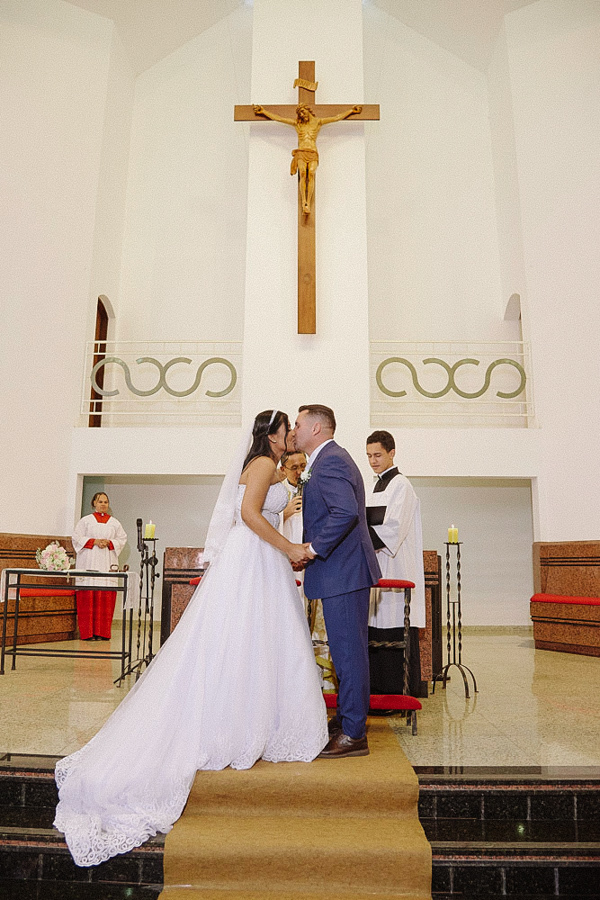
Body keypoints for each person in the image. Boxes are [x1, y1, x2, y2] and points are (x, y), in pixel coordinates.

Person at [54, 410, 328, 867]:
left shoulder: (265, 466)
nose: (291, 436)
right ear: (274, 434)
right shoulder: (262, 463)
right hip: (256, 556)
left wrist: (285, 513)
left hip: (256, 557)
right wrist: (289, 547)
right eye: (287, 430)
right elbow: (247, 515)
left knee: (256, 640)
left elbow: (261, 508)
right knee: (250, 638)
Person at [293, 405, 380, 759]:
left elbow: (344, 513)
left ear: (315, 428)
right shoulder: (327, 459)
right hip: (342, 571)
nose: (293, 429)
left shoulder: (330, 461)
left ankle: (354, 733)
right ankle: (347, 719)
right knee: (345, 652)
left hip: (343, 571)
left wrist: (312, 549)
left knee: (348, 654)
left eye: (298, 424)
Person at [366, 431, 426, 698]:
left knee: (393, 626)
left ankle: (397, 693)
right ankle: (378, 690)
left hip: (395, 564)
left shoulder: (401, 485)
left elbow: (393, 529)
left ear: (392, 452)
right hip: (375, 564)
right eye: (368, 456)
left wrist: (360, 541)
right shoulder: (375, 485)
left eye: (377, 455)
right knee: (375, 629)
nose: (373, 461)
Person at [253, 103, 362, 214]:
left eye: (303, 112)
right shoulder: (297, 124)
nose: (301, 114)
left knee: (311, 173)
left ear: (308, 110)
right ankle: (304, 201)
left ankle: (308, 203)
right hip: (301, 152)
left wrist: (351, 111)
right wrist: (263, 112)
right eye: (300, 113)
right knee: (303, 173)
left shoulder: (318, 122)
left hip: (312, 152)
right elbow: (279, 118)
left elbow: (336, 118)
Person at [71, 492, 127, 641]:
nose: (103, 504)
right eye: (100, 501)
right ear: (94, 503)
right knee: (88, 597)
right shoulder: (86, 521)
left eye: (106, 502)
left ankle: (103, 632)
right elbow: (76, 538)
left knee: (105, 598)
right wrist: (94, 541)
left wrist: (109, 543)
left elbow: (122, 539)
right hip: (89, 561)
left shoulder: (114, 523)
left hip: (106, 563)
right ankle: (87, 633)